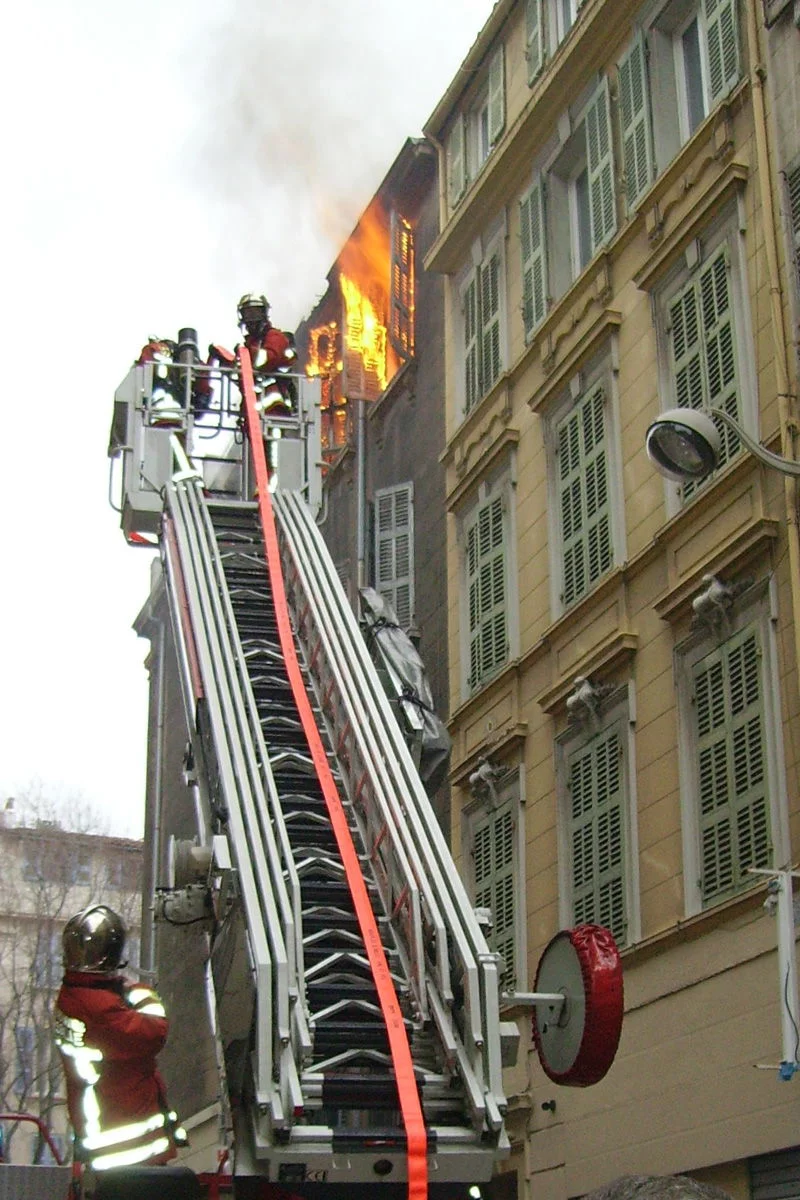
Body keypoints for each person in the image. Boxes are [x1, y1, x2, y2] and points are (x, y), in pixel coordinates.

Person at [54, 904, 188, 1173]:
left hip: (102, 1135)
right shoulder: (100, 1008)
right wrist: (142, 993)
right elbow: (153, 1032)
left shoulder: (72, 996)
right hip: (126, 1145)